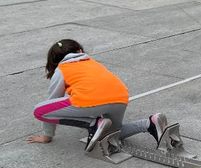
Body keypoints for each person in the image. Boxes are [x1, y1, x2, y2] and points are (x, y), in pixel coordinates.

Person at [28, 39, 170, 152]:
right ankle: (149, 123)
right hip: (120, 97)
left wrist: (47, 136)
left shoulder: (62, 68)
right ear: (80, 51)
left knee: (39, 111)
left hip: (89, 100)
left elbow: (53, 99)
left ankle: (93, 124)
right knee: (112, 133)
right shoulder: (93, 62)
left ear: (55, 60)